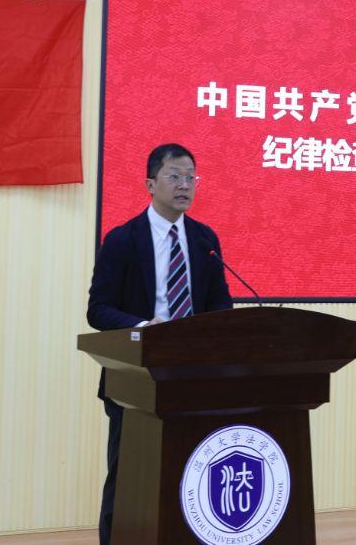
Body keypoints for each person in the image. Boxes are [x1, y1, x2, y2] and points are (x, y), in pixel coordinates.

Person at [86, 143, 233, 545]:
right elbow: (98, 309)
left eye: (191, 177)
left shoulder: (204, 239)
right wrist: (143, 327)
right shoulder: (122, 239)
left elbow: (220, 304)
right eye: (174, 176)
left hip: (193, 376)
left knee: (190, 472)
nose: (184, 185)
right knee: (128, 475)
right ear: (151, 184)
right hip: (136, 376)